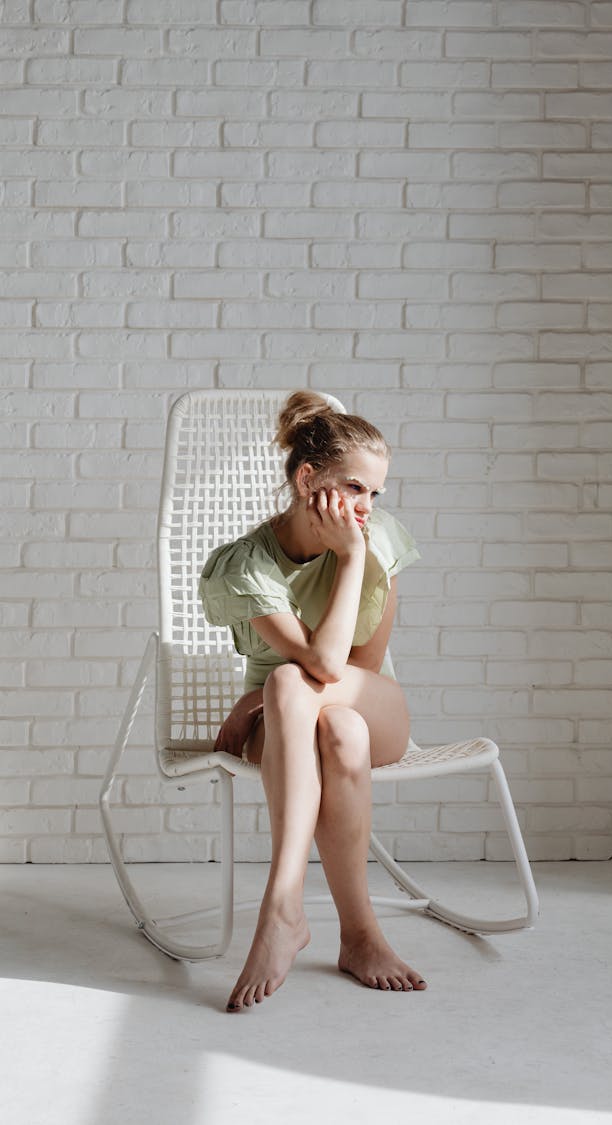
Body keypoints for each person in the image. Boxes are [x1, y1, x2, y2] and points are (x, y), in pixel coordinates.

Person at [199, 390, 427, 1011]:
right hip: (295, 727)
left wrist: (353, 558)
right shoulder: (246, 565)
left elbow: (352, 668)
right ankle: (361, 937)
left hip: (366, 703)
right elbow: (321, 672)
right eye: (355, 489)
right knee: (336, 730)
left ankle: (283, 904)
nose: (366, 508)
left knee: (289, 685)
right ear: (308, 479)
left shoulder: (373, 542)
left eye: (375, 494)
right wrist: (265, 698)